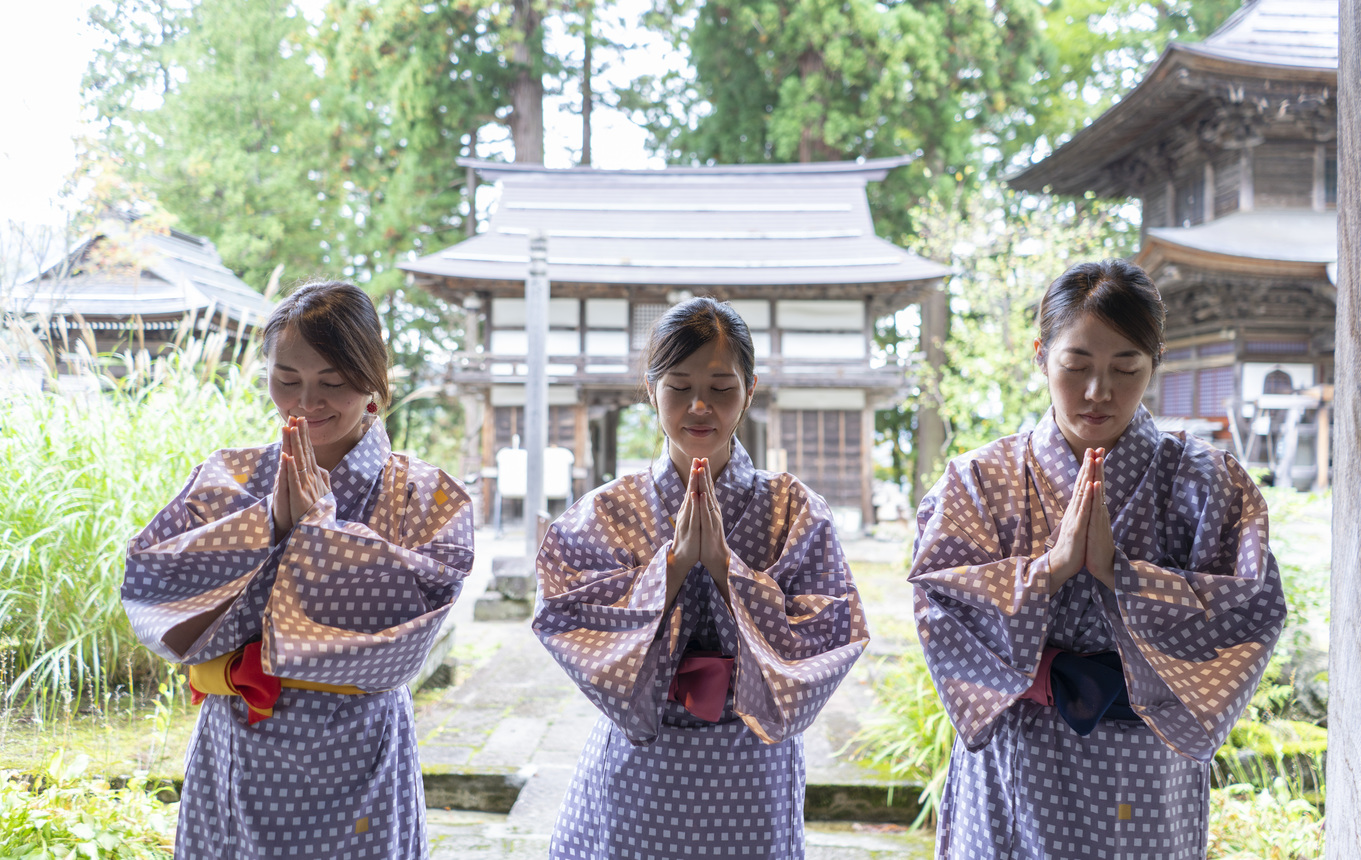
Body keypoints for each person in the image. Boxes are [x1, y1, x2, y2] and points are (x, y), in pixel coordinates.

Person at [910, 260, 1287, 859]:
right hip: (1020, 754)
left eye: (1125, 367)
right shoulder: (977, 480)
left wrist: (1121, 574)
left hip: (1147, 759)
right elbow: (941, 607)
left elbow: (1248, 614)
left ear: (1154, 360)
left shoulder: (1208, 484)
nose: (1098, 392)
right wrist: (1050, 571)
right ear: (1041, 355)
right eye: (1077, 365)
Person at [122, 281, 475, 860]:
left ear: (373, 382)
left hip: (358, 748)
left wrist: (316, 529)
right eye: (287, 380)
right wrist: (270, 521)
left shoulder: (425, 495)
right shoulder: (230, 477)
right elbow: (156, 590)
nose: (306, 402)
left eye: (332, 383)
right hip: (242, 740)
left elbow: (408, 635)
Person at [533, 297, 869, 859]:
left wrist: (725, 568)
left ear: (750, 389)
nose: (698, 407)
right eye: (678, 386)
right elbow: (566, 620)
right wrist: (670, 568)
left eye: (721, 388)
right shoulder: (607, 511)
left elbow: (831, 632)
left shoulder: (794, 509)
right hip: (643, 760)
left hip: (751, 760)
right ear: (650, 389)